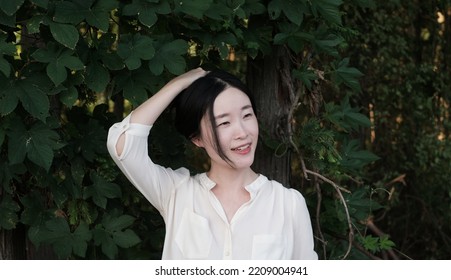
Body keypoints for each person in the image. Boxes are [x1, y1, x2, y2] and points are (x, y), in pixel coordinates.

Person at [106, 67, 318, 260]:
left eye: (247, 115)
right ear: (197, 138)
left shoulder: (288, 205)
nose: (242, 132)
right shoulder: (177, 193)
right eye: (224, 122)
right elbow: (122, 146)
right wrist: (178, 84)